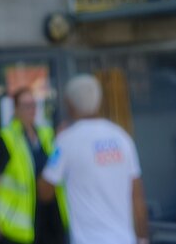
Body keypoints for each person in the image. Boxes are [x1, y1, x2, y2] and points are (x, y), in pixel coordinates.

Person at [39, 75, 148, 244]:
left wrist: (53, 147)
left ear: (69, 104)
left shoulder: (66, 141)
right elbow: (137, 195)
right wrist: (142, 237)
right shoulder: (121, 137)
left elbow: (44, 191)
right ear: (99, 101)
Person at [0, 89, 67, 244]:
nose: (31, 109)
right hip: (19, 222)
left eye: (33, 105)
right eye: (26, 105)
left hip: (51, 217)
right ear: (16, 109)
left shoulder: (46, 134)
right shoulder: (7, 138)